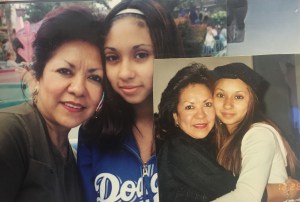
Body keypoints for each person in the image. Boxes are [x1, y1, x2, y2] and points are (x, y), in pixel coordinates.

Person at [76, 0, 184, 201]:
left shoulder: (198, 130)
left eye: (141, 55)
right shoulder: (93, 133)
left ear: (165, 53)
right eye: (112, 57)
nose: (125, 73)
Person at [0, 6, 105, 202]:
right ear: (38, 74)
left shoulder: (73, 155)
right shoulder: (9, 134)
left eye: (94, 77)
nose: (78, 88)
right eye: (65, 71)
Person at [212, 62, 299, 201]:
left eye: (238, 97)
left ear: (252, 102)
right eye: (221, 95)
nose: (228, 104)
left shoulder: (258, 134)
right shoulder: (224, 137)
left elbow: (247, 197)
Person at [156, 63, 238, 202]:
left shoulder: (214, 144)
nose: (200, 115)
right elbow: (241, 192)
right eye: (189, 107)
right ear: (176, 116)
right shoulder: (177, 149)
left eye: (207, 104)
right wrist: (284, 190)